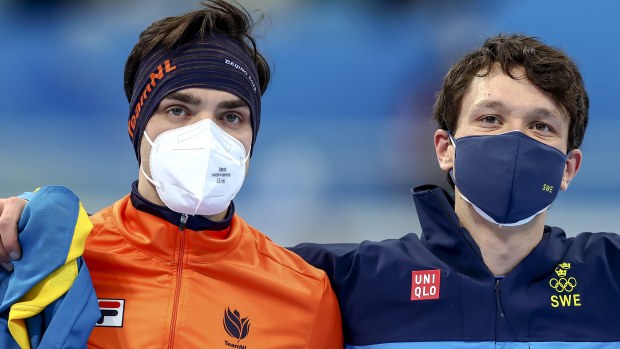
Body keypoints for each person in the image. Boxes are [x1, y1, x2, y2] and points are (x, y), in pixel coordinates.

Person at [0, 1, 343, 348]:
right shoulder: (57, 263)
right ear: (139, 125)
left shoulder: (305, 294)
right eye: (178, 110)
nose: (206, 135)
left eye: (231, 117)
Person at [291, 34, 620, 347]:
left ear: (568, 168)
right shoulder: (346, 279)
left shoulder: (610, 276)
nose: (515, 141)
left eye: (540, 126)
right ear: (445, 150)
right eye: (491, 119)